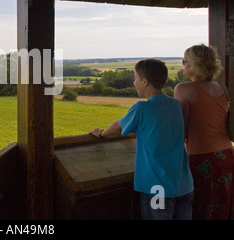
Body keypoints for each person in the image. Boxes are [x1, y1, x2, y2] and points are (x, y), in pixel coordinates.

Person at [89, 59, 194, 220]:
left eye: (135, 78)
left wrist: (102, 133)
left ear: (145, 82)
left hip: (157, 189)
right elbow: (154, 130)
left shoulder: (142, 108)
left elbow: (119, 126)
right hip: (184, 186)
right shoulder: (174, 105)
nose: (134, 82)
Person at [174, 44, 234, 220]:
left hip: (200, 157)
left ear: (193, 64)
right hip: (225, 155)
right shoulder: (223, 89)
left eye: (184, 60)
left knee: (201, 207)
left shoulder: (183, 89)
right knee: (222, 205)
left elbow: (181, 129)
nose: (183, 64)